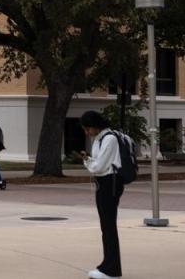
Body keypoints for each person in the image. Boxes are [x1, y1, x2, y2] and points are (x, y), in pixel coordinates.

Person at [80, 110, 124, 279]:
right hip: (103, 183)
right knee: (105, 227)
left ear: (96, 126)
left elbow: (99, 167)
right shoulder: (99, 140)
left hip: (110, 183)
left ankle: (112, 269)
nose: (87, 132)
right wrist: (89, 161)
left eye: (88, 128)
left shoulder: (109, 139)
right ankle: (107, 264)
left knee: (109, 226)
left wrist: (89, 163)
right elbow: (96, 164)